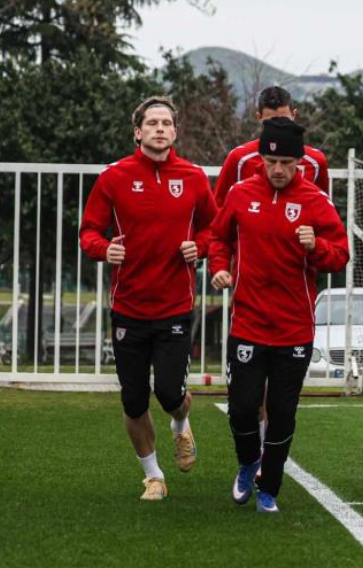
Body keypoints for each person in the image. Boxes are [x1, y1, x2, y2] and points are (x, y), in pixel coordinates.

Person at [209, 117, 349, 513]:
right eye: (272, 162)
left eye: (287, 163)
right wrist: (219, 266)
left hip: (294, 328)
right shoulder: (240, 193)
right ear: (261, 159)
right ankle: (247, 462)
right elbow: (218, 236)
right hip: (248, 321)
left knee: (283, 412)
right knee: (241, 406)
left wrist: (316, 246)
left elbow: (340, 253)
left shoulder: (316, 202)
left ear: (300, 163)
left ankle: (269, 486)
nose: (279, 170)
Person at [79, 96, 216, 501]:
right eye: (152, 123)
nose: (160, 128)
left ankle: (180, 426)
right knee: (134, 399)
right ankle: (154, 476)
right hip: (128, 309)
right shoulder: (114, 177)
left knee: (171, 394)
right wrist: (106, 249)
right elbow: (88, 233)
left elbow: (215, 228)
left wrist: (201, 247)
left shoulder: (192, 178)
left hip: (175, 306)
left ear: (175, 131)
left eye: (166, 122)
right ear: (138, 132)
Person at [214, 86, 330, 206]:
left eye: (285, 120)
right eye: (270, 123)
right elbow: (219, 208)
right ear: (259, 118)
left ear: (294, 115)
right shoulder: (239, 159)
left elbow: (323, 209)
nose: (278, 126)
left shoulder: (315, 161)